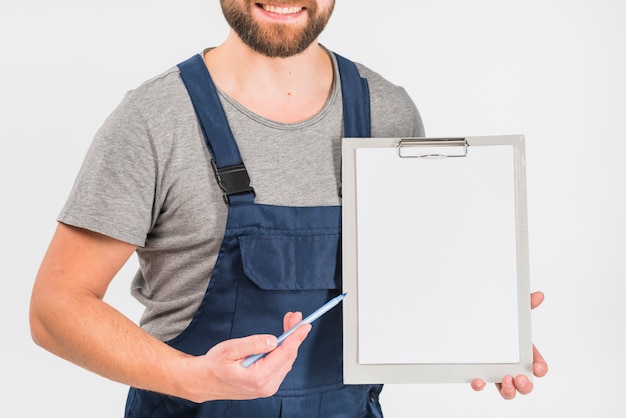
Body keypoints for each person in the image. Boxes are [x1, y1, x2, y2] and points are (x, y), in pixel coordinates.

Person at [29, 0, 548, 416]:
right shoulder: (155, 119)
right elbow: (55, 310)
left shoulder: (388, 113)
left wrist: (478, 326)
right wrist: (193, 378)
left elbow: (404, 286)